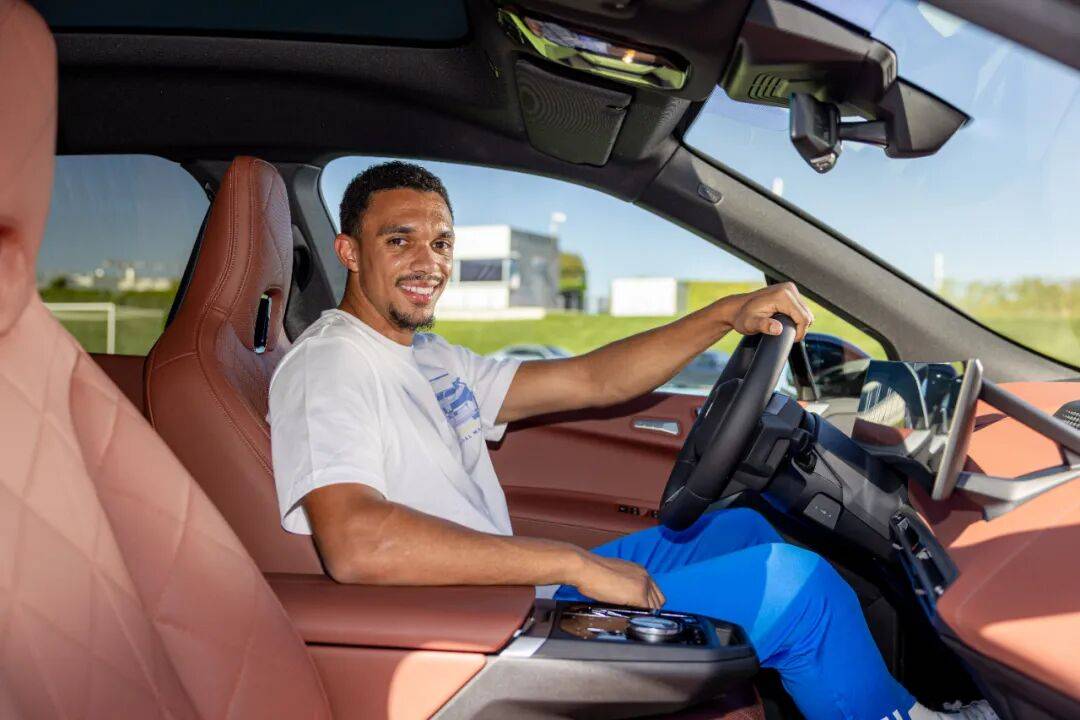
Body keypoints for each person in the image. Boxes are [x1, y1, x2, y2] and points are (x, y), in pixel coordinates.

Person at [268, 161, 996, 720]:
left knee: (743, 526)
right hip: (483, 621)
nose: (428, 262)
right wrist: (572, 563)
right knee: (797, 589)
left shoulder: (428, 356)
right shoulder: (330, 364)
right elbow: (357, 542)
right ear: (349, 251)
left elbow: (591, 379)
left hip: (514, 589)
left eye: (441, 242)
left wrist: (724, 315)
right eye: (399, 240)